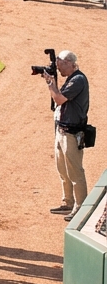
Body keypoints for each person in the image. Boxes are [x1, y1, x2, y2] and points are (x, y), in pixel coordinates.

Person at [46, 50, 89, 221]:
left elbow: (58, 99)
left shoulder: (78, 80)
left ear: (69, 63)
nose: (59, 69)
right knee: (62, 169)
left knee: (75, 171)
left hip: (72, 133)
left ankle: (81, 207)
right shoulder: (70, 79)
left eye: (60, 65)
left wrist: (50, 83)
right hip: (61, 130)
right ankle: (68, 202)